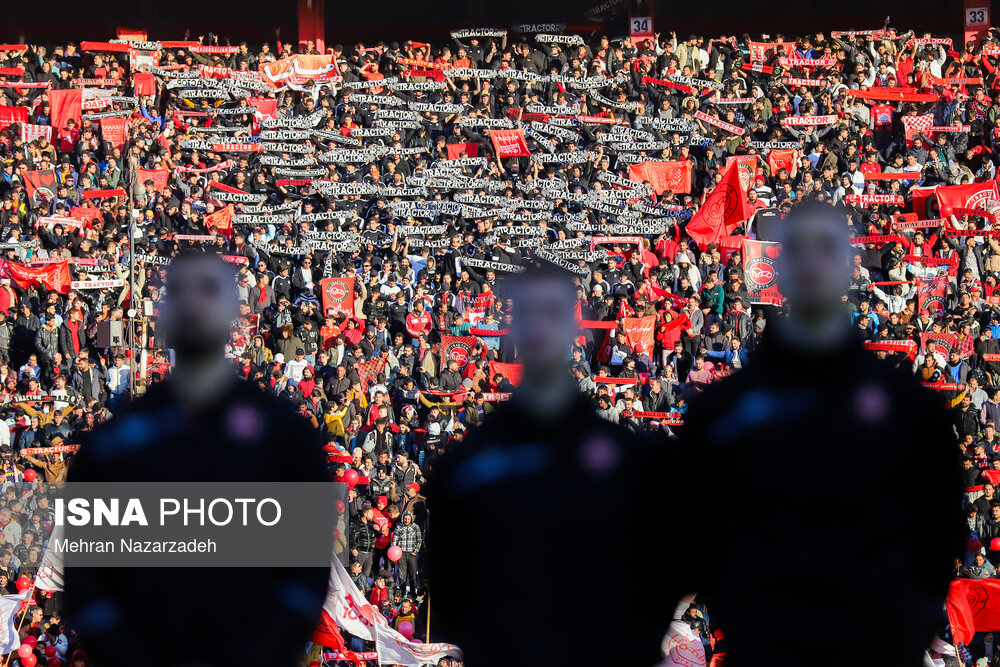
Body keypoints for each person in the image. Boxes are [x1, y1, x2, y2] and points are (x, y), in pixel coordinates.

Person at [678, 202, 964, 667]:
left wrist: (899, 634)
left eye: (826, 248)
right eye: (798, 249)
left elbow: (940, 537)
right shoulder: (722, 413)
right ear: (780, 266)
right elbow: (695, 532)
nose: (812, 262)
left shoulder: (911, 411)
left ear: (847, 264)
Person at [63, 253, 330, 667]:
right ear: (164, 311)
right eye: (177, 291)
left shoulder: (286, 438)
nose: (192, 303)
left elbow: (307, 572)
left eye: (207, 289)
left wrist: (260, 654)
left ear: (233, 308)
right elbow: (86, 574)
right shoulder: (112, 445)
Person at [427, 262, 677, 666]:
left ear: (571, 325)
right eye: (530, 311)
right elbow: (449, 582)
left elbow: (661, 569)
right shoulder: (467, 466)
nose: (541, 325)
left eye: (553, 311)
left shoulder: (630, 460)